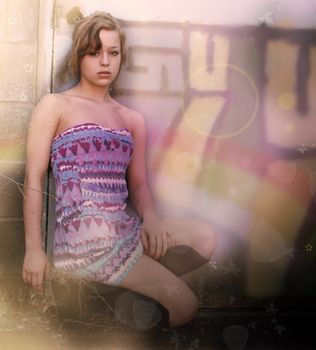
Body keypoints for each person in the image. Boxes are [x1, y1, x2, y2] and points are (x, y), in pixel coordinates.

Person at [22, 11, 218, 328]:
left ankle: (125, 300)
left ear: (121, 57)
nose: (104, 61)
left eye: (113, 53)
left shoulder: (130, 119)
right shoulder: (56, 106)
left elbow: (139, 185)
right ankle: (132, 306)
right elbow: (32, 178)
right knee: (186, 305)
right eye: (94, 52)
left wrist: (151, 219)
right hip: (85, 244)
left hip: (122, 231)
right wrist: (33, 250)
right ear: (78, 54)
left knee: (205, 237)